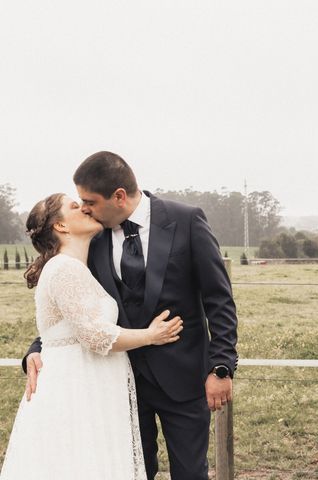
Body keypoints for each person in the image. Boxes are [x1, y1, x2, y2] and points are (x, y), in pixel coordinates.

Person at [22, 152, 239, 480]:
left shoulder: (187, 220)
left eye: (89, 201)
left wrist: (221, 367)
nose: (85, 209)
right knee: (132, 472)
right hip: (119, 382)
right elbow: (76, 309)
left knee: (191, 474)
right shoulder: (92, 239)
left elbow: (219, 300)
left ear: (119, 196)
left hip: (184, 379)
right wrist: (37, 348)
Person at [1, 193, 184, 479]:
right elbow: (95, 335)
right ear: (60, 227)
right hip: (75, 390)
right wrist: (151, 335)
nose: (85, 208)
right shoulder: (64, 268)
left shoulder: (80, 266)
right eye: (75, 206)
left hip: (91, 384)